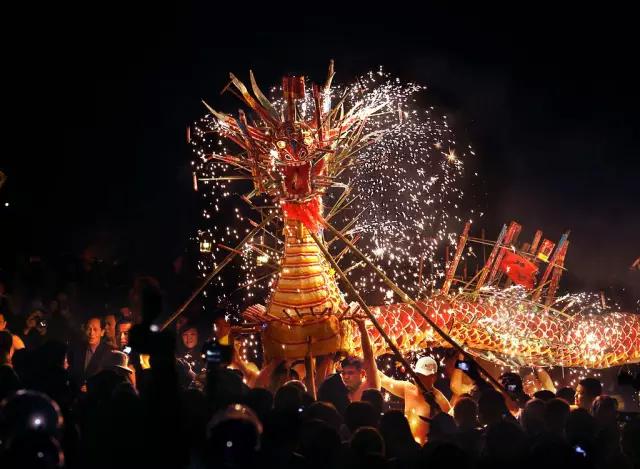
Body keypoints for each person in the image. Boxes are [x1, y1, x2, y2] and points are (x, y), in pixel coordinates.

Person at [379, 356, 451, 444]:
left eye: (424, 376)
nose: (419, 379)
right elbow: (382, 378)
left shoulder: (441, 402)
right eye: (418, 375)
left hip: (428, 452)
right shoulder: (408, 389)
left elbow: (451, 432)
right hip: (408, 449)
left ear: (434, 377)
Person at [338, 319, 380, 402]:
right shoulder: (341, 392)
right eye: (343, 373)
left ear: (362, 373)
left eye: (350, 373)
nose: (346, 377)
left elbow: (368, 356)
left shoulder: (370, 386)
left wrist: (362, 328)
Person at [67, 316, 113, 391]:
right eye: (89, 329)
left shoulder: (109, 352)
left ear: (102, 332)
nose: (91, 333)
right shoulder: (77, 349)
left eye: (95, 329)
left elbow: (110, 380)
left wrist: (92, 386)